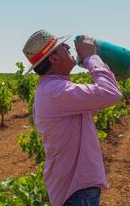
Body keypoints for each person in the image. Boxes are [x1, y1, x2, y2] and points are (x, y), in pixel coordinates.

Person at [22, 30, 123, 206]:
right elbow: (111, 94)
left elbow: (97, 104)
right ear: (53, 59)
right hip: (78, 193)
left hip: (76, 190)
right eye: (62, 47)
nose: (68, 46)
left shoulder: (55, 89)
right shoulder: (56, 91)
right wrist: (91, 57)